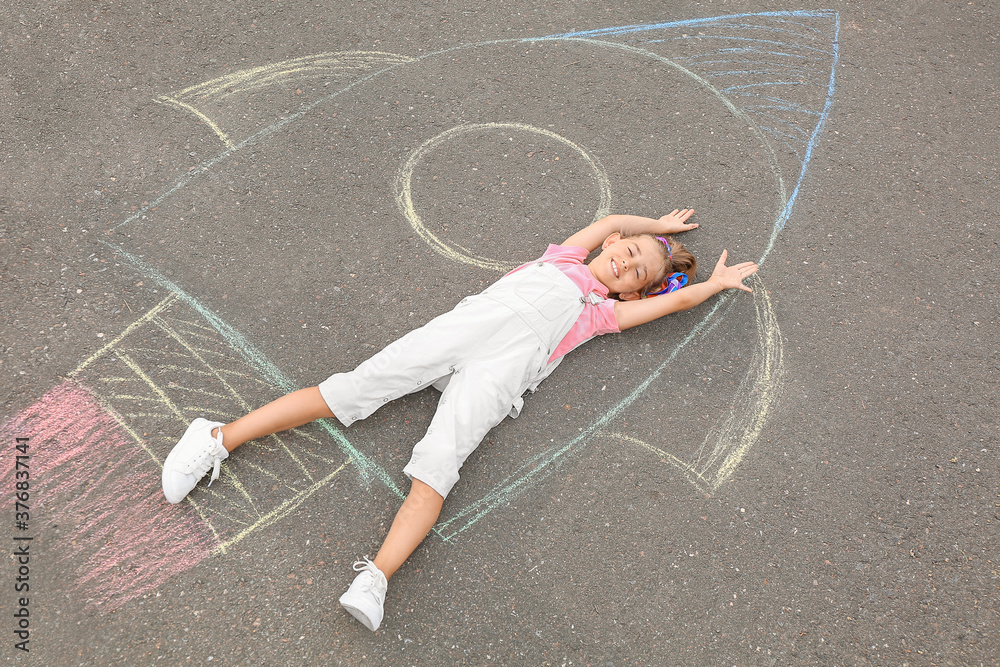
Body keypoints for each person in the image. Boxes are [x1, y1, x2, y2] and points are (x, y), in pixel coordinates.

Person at [160, 208, 758, 631]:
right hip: (460, 332)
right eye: (626, 251)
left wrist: (710, 285)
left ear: (633, 294)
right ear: (611, 245)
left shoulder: (601, 315)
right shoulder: (564, 258)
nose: (624, 261)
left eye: (636, 272)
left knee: (440, 467)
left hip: (497, 375)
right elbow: (608, 222)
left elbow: (674, 299)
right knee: (351, 390)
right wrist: (660, 229)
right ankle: (217, 437)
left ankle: (376, 578)